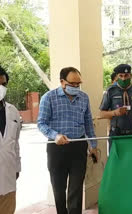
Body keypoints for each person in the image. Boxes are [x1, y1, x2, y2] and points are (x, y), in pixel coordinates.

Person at [37, 67, 98, 214]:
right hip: (57, 148)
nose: (76, 87)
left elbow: (88, 122)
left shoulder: (84, 97)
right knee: (59, 189)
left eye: (79, 84)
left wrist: (93, 145)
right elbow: (41, 123)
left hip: (78, 146)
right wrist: (55, 135)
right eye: (73, 84)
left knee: (76, 189)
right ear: (62, 82)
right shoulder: (49, 97)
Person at [100, 64, 132, 149]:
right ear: (117, 77)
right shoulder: (110, 91)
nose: (124, 78)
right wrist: (115, 112)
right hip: (117, 134)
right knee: (117, 160)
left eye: (126, 75)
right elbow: (102, 114)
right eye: (121, 76)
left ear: (130, 76)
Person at [0, 66, 21, 214]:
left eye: (3, 84)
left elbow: (16, 143)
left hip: (8, 174)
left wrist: (17, 168)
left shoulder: (12, 110)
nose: (1, 88)